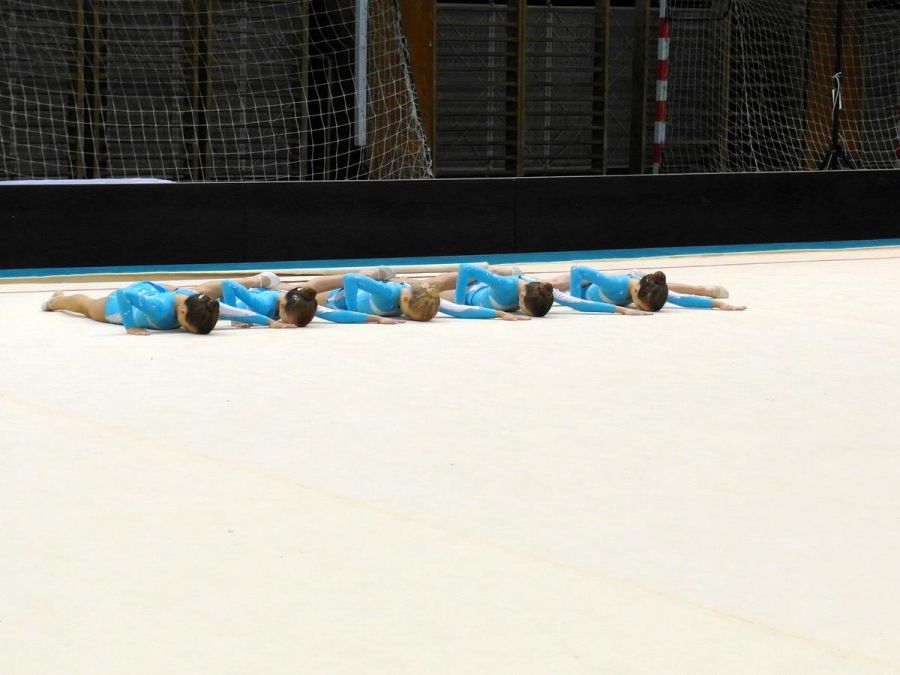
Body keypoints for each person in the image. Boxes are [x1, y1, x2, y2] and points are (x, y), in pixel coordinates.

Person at [41, 282, 228, 335]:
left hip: (150, 290)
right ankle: (56, 301)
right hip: (118, 305)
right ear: (182, 312)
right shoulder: (158, 309)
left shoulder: (200, 304)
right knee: (87, 307)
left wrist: (243, 321)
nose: (184, 329)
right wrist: (130, 326)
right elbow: (123, 293)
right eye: (186, 327)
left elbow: (236, 313)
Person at [553, 266, 746, 312]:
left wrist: (718, 304)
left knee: (669, 290)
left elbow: (680, 299)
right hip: (582, 286)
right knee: (556, 282)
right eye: (638, 305)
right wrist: (578, 300)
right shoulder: (614, 285)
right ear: (635, 292)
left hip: (634, 279)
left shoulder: (649, 290)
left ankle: (703, 289)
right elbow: (577, 269)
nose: (637, 308)